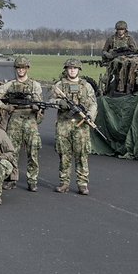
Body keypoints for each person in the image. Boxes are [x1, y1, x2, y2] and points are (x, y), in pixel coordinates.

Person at [0, 55, 45, 191]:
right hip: (15, 118)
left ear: (27, 68)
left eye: (23, 68)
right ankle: (12, 178)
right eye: (18, 68)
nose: (21, 70)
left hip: (30, 119)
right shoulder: (9, 85)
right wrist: (6, 107)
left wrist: (37, 108)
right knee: (12, 151)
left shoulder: (35, 85)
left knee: (33, 150)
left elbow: (39, 102)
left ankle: (32, 180)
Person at [52, 58, 98, 195]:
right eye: (70, 68)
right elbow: (50, 101)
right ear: (66, 70)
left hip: (81, 125)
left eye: (75, 68)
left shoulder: (86, 86)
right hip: (64, 124)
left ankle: (82, 184)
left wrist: (90, 115)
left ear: (79, 70)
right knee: (64, 155)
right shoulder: (59, 85)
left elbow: (93, 104)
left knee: (82, 154)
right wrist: (61, 103)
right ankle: (64, 182)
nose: (72, 70)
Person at [102, 20, 138, 93]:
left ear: (125, 30)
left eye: (122, 29)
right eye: (119, 29)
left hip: (127, 59)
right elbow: (104, 51)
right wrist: (109, 55)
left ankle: (130, 86)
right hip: (114, 61)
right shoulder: (111, 39)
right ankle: (115, 87)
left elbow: (134, 50)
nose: (120, 31)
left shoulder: (129, 39)